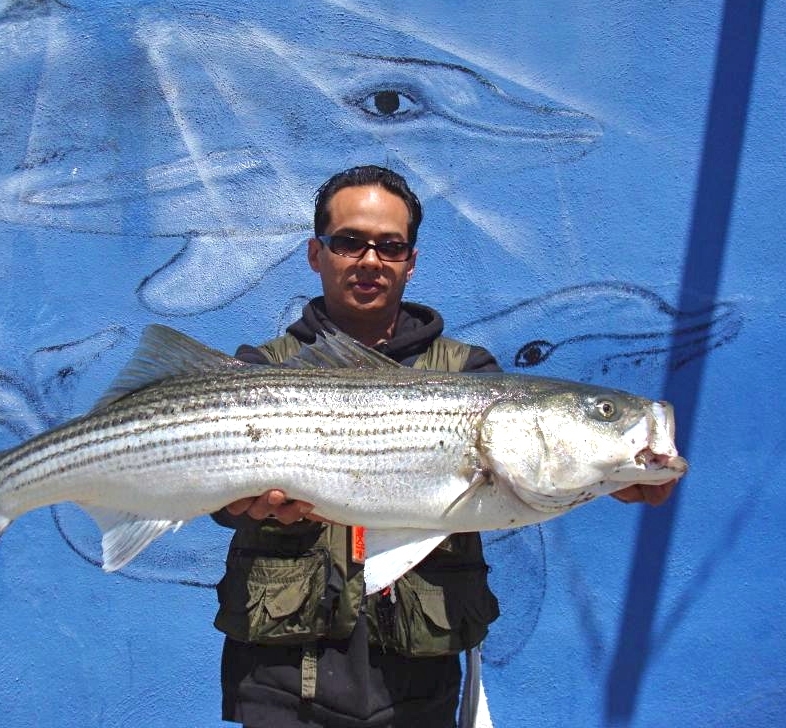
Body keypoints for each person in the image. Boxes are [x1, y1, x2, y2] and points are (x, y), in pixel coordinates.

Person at [212, 165, 677, 728]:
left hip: (419, 679)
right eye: (349, 242)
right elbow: (211, 493)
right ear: (316, 254)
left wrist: (615, 477)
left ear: (411, 261)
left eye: (390, 246)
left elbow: (536, 464)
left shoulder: (471, 373)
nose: (368, 260)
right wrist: (234, 503)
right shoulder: (261, 371)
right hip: (283, 677)